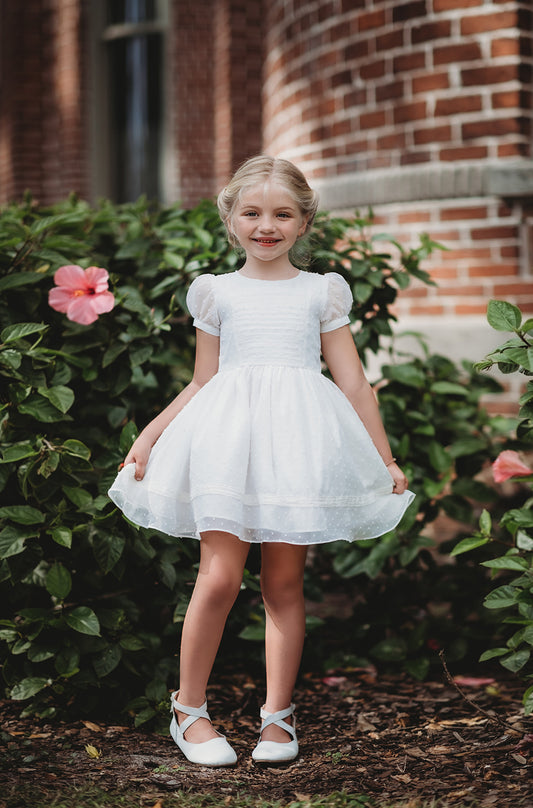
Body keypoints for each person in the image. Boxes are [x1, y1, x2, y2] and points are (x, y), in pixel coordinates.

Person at [108, 155, 413, 767]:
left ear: (304, 224)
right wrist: (150, 435)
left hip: (295, 446)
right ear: (230, 219)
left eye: (283, 214)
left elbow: (354, 384)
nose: (266, 225)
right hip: (228, 442)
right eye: (252, 212)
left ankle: (278, 717)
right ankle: (188, 710)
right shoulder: (216, 291)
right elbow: (201, 381)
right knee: (218, 578)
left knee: (283, 583)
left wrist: (384, 459)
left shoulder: (319, 291)